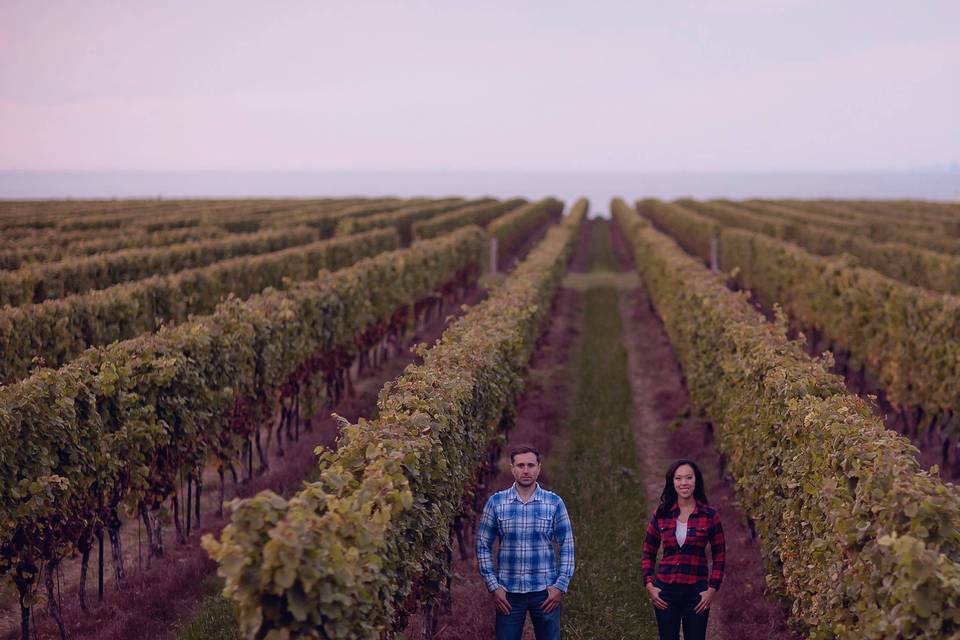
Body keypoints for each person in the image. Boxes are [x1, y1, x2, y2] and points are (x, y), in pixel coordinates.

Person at [476, 444, 575, 640]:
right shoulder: (496, 503)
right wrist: (493, 586)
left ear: (539, 467)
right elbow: (482, 545)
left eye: (531, 465)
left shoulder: (554, 503)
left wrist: (560, 586)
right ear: (512, 468)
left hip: (545, 592)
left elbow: (567, 545)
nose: (526, 470)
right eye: (520, 465)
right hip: (508, 593)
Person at [642, 459, 725, 640]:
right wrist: (649, 584)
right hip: (666, 593)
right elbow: (648, 551)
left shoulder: (710, 516)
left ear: (696, 480)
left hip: (696, 593)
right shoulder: (662, 514)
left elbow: (719, 556)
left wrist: (712, 589)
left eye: (688, 477)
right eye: (678, 478)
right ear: (672, 482)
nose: (684, 483)